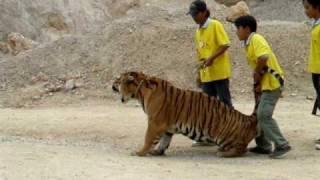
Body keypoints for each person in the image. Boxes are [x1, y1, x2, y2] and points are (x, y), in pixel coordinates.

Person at [234, 15, 291, 158]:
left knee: (263, 114)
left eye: (238, 28)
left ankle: (281, 144)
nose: (236, 32)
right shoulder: (249, 42)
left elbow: (264, 57)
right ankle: (263, 145)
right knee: (258, 114)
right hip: (266, 84)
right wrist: (258, 82)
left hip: (272, 83)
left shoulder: (256, 39)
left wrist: (257, 72)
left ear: (247, 29)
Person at [187, 0, 233, 147]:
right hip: (207, 75)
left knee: (224, 104)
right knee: (206, 107)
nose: (193, 18)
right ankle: (208, 136)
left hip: (219, 73)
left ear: (203, 12)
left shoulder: (214, 25)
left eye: (195, 15)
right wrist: (199, 73)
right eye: (192, 15)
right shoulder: (198, 31)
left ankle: (232, 133)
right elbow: (201, 53)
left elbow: (225, 44)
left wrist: (212, 58)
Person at [302, 0, 320, 150]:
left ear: (317, 7)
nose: (305, 11)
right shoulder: (316, 24)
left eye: (308, 8)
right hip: (316, 69)